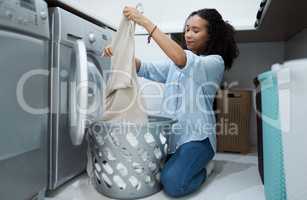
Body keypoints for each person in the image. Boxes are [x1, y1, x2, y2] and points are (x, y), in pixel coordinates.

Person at [104, 6, 239, 198]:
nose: (188, 35)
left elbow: (181, 58)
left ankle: (206, 169)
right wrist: (119, 52)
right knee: (144, 170)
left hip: (196, 139)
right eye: (186, 29)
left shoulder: (214, 62)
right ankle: (180, 163)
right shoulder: (178, 62)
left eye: (195, 30)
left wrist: (145, 22)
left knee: (173, 184)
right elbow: (145, 68)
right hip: (172, 139)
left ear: (211, 35)